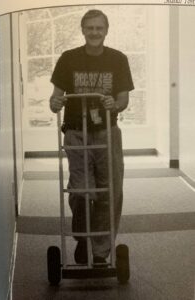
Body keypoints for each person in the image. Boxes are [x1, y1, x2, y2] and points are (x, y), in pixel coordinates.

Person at [50, 9, 134, 265]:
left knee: (109, 190)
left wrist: (114, 104)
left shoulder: (118, 59)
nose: (95, 32)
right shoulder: (68, 58)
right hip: (76, 132)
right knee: (81, 190)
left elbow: (123, 99)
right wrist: (55, 103)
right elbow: (55, 98)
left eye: (99, 28)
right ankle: (83, 237)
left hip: (106, 132)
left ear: (106, 30)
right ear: (83, 30)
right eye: (90, 28)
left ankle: (100, 251)